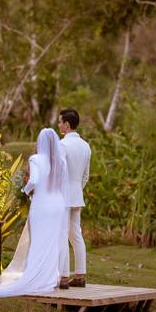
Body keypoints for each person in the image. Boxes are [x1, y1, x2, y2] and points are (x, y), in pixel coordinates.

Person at [0, 128, 68, 299]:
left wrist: (25, 190)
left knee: (38, 241)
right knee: (51, 242)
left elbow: (33, 180)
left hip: (41, 205)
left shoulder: (36, 159)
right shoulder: (60, 161)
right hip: (57, 206)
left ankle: (35, 277)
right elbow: (63, 185)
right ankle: (49, 279)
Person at [57, 109, 91, 288]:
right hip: (77, 195)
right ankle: (79, 276)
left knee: (62, 235)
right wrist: (77, 190)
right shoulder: (86, 146)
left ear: (67, 124)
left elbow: (58, 174)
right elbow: (86, 176)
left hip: (63, 196)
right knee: (76, 235)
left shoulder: (61, 145)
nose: (58, 124)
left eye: (60, 122)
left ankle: (63, 278)